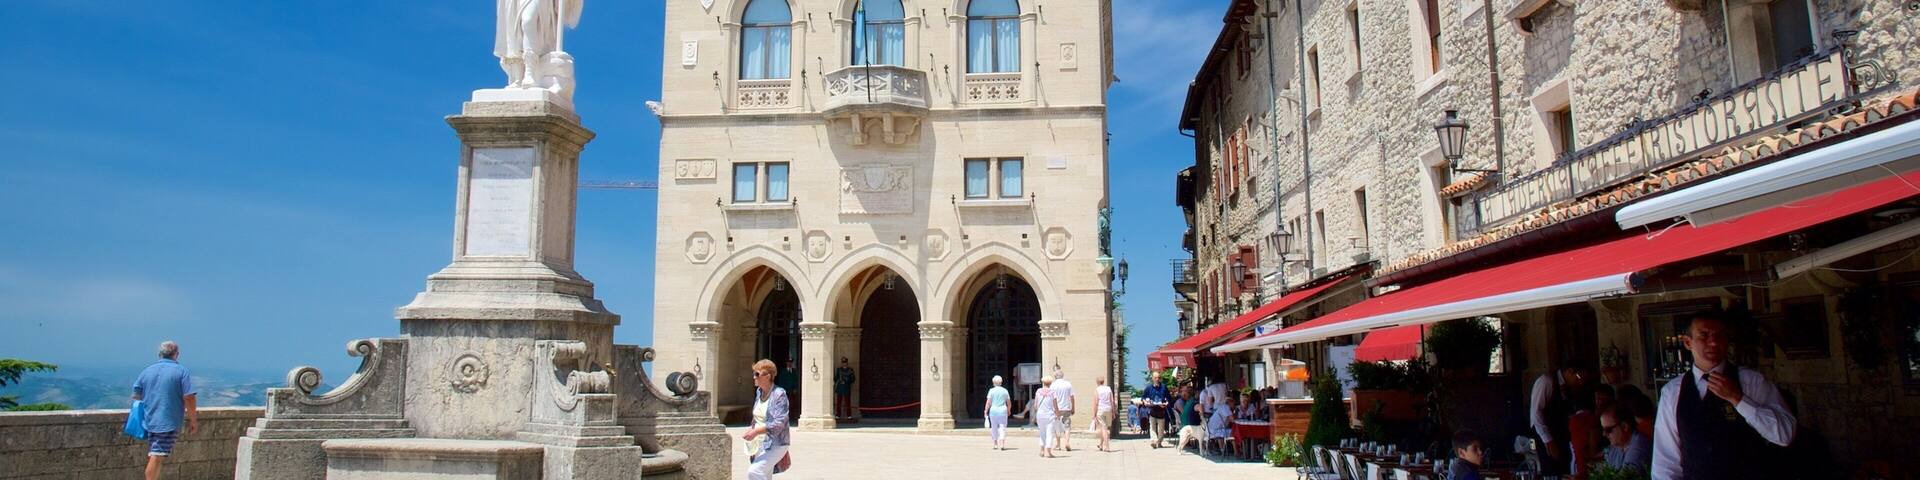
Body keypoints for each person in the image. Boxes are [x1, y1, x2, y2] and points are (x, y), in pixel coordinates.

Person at [1651, 314, 1797, 480]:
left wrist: (1739, 399)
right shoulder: (1672, 392)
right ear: (1688, 342)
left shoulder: (1751, 382)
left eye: (1719, 336)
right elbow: (1665, 460)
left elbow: (1785, 435)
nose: (1713, 342)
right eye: (1704, 335)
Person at [132, 341, 197, 480]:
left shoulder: (147, 371)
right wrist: (193, 420)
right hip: (168, 420)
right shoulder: (181, 371)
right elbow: (189, 397)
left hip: (150, 418)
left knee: (156, 455)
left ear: (159, 354)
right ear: (176, 354)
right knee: (157, 455)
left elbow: (136, 395)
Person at [1530, 363, 1589, 476]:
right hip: (1547, 435)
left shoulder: (1568, 388)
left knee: (1564, 470)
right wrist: (1548, 440)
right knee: (1551, 471)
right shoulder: (1546, 381)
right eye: (1579, 377)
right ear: (1570, 371)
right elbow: (1536, 412)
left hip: (1562, 435)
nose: (1580, 382)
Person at [742, 359, 791, 480]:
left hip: (776, 443)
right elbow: (757, 416)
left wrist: (756, 431)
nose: (754, 377)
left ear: (768, 376)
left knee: (755, 472)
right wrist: (752, 429)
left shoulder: (779, 394)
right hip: (759, 443)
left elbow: (779, 423)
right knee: (765, 475)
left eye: (757, 374)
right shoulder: (759, 392)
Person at [1601, 405, 1652, 473]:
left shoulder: (1639, 448)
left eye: (1608, 430)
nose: (1604, 434)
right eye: (1603, 429)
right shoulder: (1619, 445)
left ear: (1624, 427)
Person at [1142, 375, 1172, 448]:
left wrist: (1166, 403)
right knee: (1152, 428)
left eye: (1158, 377)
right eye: (1155, 378)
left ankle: (1159, 442)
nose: (1157, 379)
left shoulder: (1163, 387)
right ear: (1153, 379)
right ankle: (1154, 441)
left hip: (1161, 410)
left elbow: (1168, 397)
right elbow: (1143, 397)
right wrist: (1145, 402)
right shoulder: (1149, 387)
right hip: (1152, 410)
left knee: (1161, 429)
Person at [1049, 369, 1075, 452]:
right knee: (1067, 426)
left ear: (1055, 376)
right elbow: (1072, 397)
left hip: (1056, 409)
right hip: (1066, 408)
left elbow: (1051, 398)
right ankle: (1067, 442)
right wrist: (1073, 407)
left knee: (1057, 426)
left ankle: (1058, 444)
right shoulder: (1068, 384)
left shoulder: (1052, 385)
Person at [1033, 376, 1058, 458]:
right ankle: (1048, 452)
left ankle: (1042, 450)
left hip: (1040, 415)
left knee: (1042, 433)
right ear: (1050, 383)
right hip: (1050, 415)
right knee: (1049, 433)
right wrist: (1057, 414)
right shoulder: (1053, 392)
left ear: (1043, 382)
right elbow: (1055, 405)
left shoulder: (1038, 391)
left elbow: (1035, 405)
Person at [985, 375, 1011, 450]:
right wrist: (1009, 410)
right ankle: (1002, 444)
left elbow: (988, 402)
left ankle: (995, 444)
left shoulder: (991, 390)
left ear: (993, 382)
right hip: (1002, 410)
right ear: (1001, 382)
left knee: (994, 427)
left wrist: (986, 410)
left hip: (993, 410)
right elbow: (1008, 402)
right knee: (1002, 427)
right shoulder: (1005, 390)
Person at [1092, 376, 1115, 452]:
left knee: (1103, 427)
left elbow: (1095, 403)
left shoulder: (1097, 390)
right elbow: (1112, 401)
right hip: (1108, 409)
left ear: (1097, 382)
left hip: (1101, 409)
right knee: (1105, 427)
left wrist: (1094, 414)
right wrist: (1113, 412)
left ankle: (1107, 446)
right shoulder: (1108, 389)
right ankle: (1101, 444)